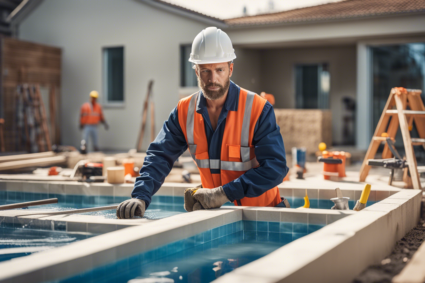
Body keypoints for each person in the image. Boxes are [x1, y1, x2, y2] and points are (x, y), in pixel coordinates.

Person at [116, 27, 289, 219]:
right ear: (196, 71)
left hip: (263, 218)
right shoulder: (184, 111)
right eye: (205, 71)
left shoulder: (257, 109)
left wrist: (223, 193)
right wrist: (140, 196)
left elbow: (276, 168)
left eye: (219, 70)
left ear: (230, 69)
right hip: (216, 222)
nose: (212, 79)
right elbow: (159, 155)